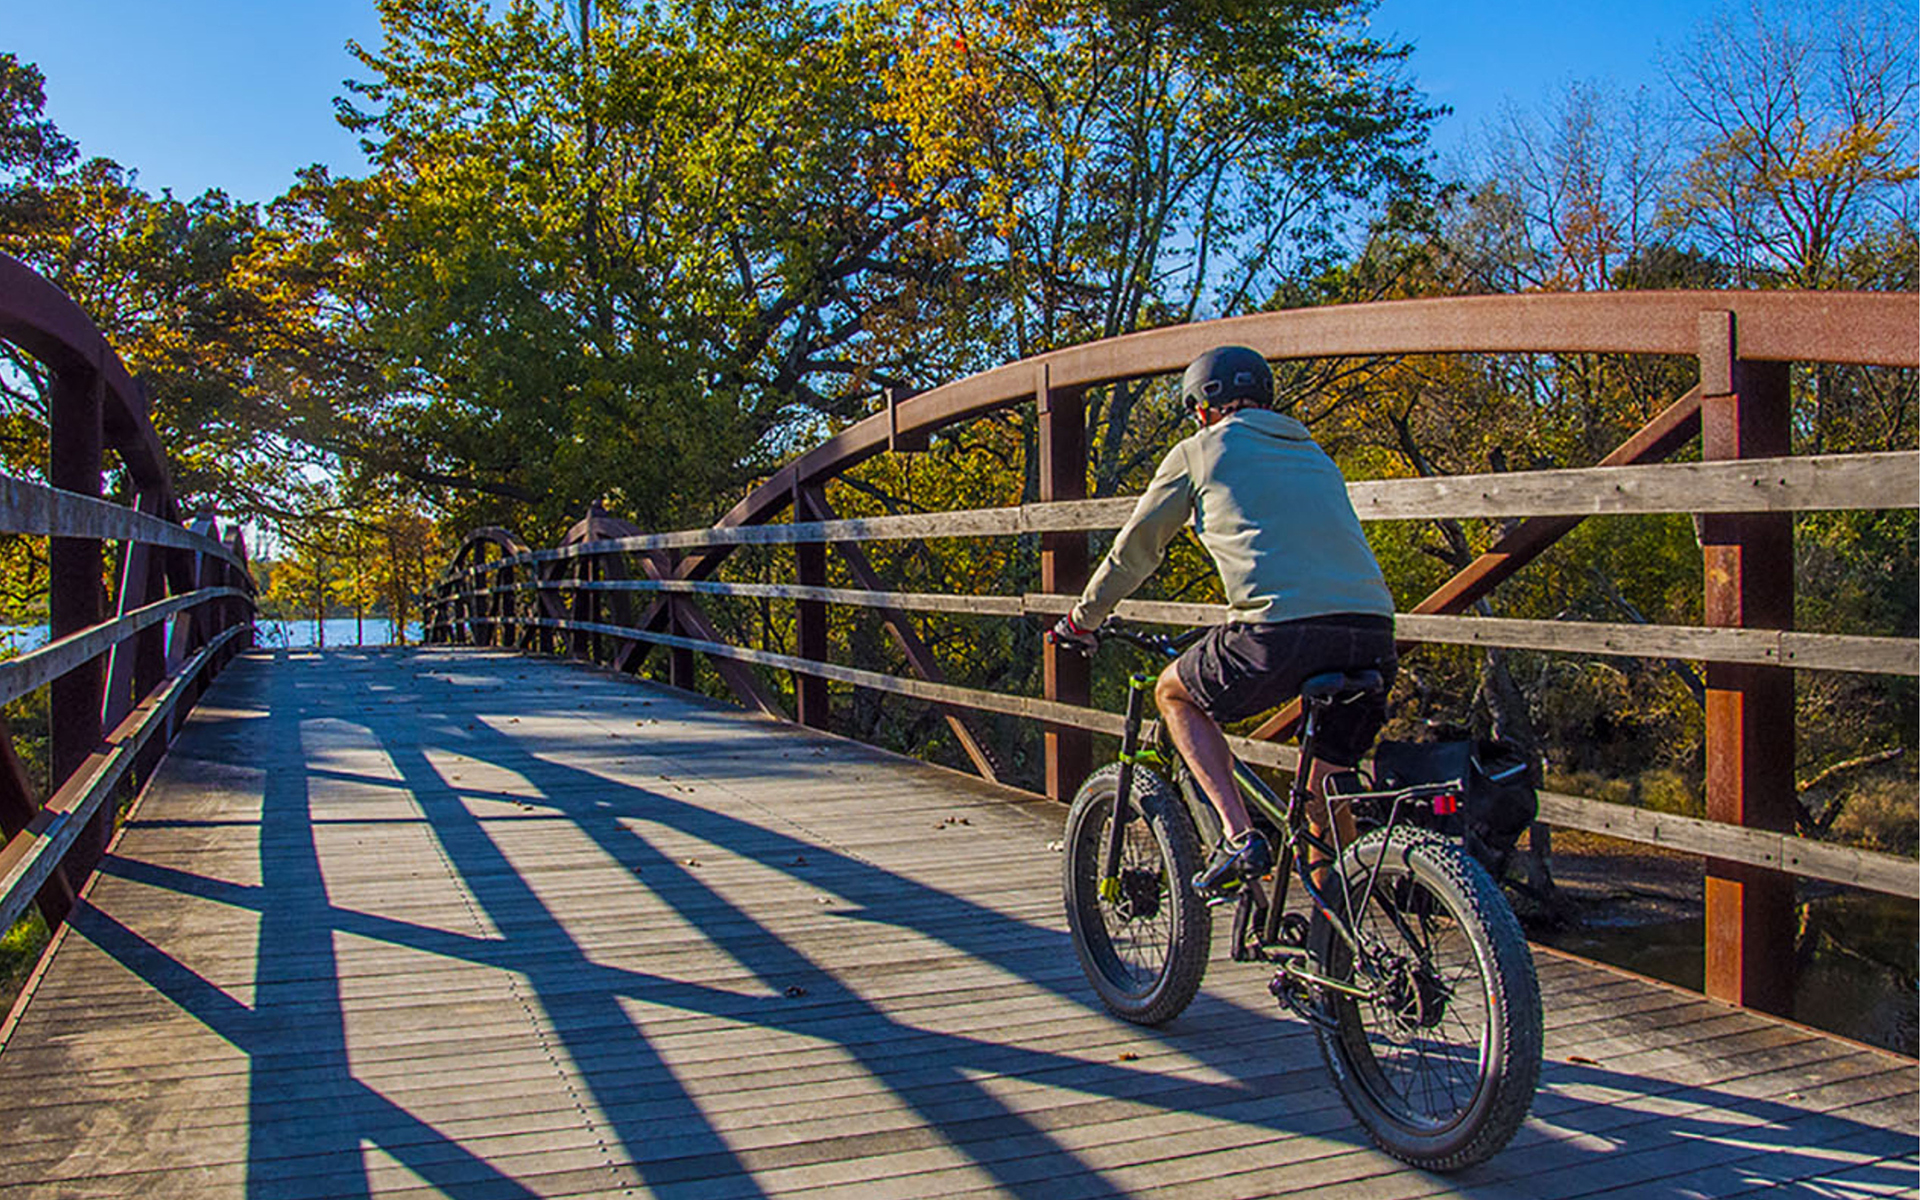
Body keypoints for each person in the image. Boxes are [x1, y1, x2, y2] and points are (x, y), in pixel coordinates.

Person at [1047, 345, 1397, 895]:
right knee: (1323, 792)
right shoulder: (1315, 455)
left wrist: (1082, 619)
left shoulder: (1199, 450)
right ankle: (1334, 947)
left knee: (1175, 694)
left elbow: (1135, 551)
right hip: (1373, 633)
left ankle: (1239, 838)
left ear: (1202, 407)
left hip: (1282, 634)